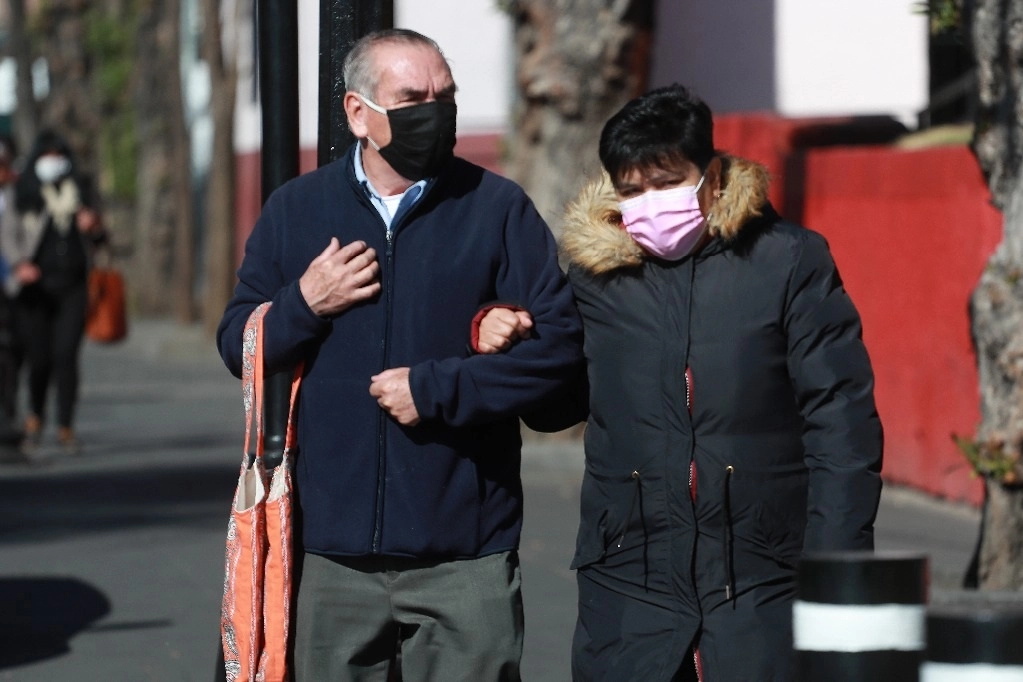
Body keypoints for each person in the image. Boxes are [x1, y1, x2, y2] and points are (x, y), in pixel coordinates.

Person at [476, 85, 884, 681]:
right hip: (630, 583)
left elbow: (841, 420)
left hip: (761, 577)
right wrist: (512, 340)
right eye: (632, 190)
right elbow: (555, 407)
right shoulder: (594, 278)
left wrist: (837, 567)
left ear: (712, 177)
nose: (650, 204)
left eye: (667, 182)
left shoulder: (788, 261)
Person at [215, 28, 583, 681]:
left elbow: (561, 353)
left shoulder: (496, 208)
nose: (434, 113)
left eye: (445, 97)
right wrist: (304, 302)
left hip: (465, 554)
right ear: (358, 113)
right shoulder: (297, 210)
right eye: (413, 98)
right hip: (329, 555)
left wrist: (441, 389)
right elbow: (237, 342)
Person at [0, 130, 105, 456]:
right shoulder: (23, 191)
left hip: (73, 285)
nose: (53, 162)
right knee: (39, 357)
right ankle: (35, 415)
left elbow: (101, 236)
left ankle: (65, 425)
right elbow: (8, 233)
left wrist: (93, 227)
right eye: (47, 156)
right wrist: (19, 265)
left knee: (66, 355)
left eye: (59, 156)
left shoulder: (80, 190)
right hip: (35, 289)